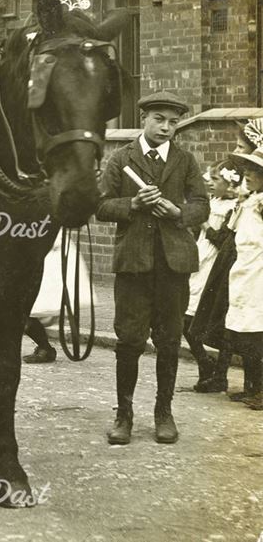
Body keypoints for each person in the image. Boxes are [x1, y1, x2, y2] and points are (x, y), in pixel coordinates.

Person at [96, 91, 209, 445]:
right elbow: (99, 205)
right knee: (129, 341)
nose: (166, 127)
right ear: (144, 118)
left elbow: (202, 205)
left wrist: (179, 213)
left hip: (173, 266)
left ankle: (164, 413)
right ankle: (124, 416)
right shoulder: (121, 159)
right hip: (134, 265)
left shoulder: (185, 160)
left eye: (173, 122)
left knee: (169, 342)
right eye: (159, 119)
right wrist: (132, 203)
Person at [183, 161, 241, 390]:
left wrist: (205, 225)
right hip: (200, 260)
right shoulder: (212, 201)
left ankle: (220, 374)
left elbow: (223, 241)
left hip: (215, 266)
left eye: (216, 180)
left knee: (209, 318)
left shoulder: (235, 207)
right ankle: (204, 362)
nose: (210, 183)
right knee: (183, 318)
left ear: (229, 185)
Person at [225, 147, 263, 409]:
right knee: (245, 334)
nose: (248, 174)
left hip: (259, 276)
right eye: (247, 169)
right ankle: (251, 386)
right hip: (243, 273)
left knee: (257, 334)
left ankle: (260, 389)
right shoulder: (250, 201)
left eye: (256, 171)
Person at [22, 230, 94, 363]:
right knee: (24, 310)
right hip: (39, 251)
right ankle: (44, 347)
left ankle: (45, 348)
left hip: (49, 256)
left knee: (26, 309)